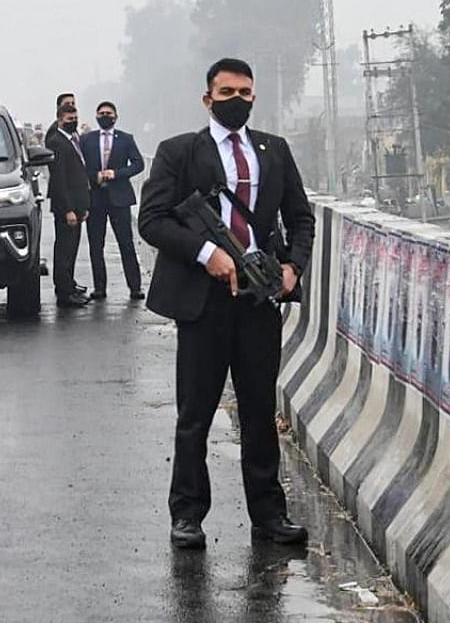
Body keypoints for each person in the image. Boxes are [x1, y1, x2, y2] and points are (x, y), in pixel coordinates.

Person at [137, 58, 316, 550]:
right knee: (195, 412)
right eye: (227, 91)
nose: (237, 99)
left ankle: (269, 515)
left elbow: (301, 218)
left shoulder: (273, 151)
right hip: (203, 301)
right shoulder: (179, 153)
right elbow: (151, 220)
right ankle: (188, 515)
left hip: (259, 299)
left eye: (245, 92)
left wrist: (292, 268)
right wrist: (206, 253)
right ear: (207, 98)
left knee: (260, 411)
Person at [81, 101, 146, 301]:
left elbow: (138, 164)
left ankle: (135, 287)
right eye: (101, 113)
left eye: (108, 113)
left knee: (126, 244)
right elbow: (79, 167)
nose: (104, 116)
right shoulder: (86, 140)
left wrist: (116, 173)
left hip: (120, 198)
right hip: (95, 199)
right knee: (95, 246)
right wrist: (95, 176)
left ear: (115, 117)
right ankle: (99, 288)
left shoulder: (126, 139)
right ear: (96, 116)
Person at [45, 104, 92, 308]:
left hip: (78, 204)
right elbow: (60, 179)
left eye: (75, 117)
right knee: (64, 249)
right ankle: (64, 291)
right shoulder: (57, 142)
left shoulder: (73, 140)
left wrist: (84, 205)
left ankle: (70, 285)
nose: (73, 121)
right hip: (67, 207)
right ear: (59, 119)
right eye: (69, 118)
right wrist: (68, 209)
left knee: (72, 248)